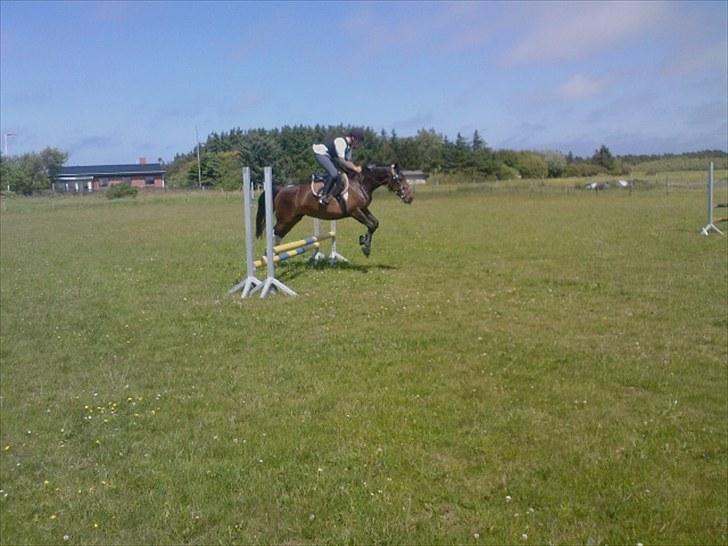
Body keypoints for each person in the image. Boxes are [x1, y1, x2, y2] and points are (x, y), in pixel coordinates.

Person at [312, 128, 364, 206]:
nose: (359, 144)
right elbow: (342, 160)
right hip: (321, 153)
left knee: (343, 173)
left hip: (330, 156)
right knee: (334, 173)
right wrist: (355, 168)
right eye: (359, 141)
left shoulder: (349, 147)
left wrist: (355, 168)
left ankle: (335, 194)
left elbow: (348, 161)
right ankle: (323, 197)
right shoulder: (341, 142)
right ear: (353, 138)